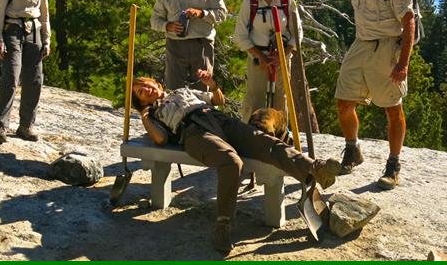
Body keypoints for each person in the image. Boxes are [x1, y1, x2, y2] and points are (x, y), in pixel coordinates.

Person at [131, 70, 340, 254]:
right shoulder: (153, 114)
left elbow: (218, 100)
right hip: (193, 133)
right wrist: (145, 116)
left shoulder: (182, 91)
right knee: (231, 162)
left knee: (265, 141)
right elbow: (160, 139)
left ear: (156, 83)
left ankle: (315, 168)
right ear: (142, 102)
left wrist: (212, 85)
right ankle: (223, 224)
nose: (146, 89)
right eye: (140, 92)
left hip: (220, 119)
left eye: (145, 84)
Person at [334, 0, 415, 190]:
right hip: (361, 45)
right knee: (344, 101)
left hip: (387, 47)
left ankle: (393, 165)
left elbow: (408, 20)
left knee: (392, 107)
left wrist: (403, 63)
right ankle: (352, 149)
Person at [0, 0, 51, 145]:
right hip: (13, 30)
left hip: (33, 31)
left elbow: (44, 13)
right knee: (11, 77)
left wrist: (46, 38)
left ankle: (26, 125)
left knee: (35, 80)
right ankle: (1, 126)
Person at [233, 0, 303, 123]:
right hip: (258, 59)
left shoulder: (287, 1)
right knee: (254, 99)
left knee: (280, 100)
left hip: (282, 60)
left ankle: (279, 137)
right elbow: (239, 36)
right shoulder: (250, 2)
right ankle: (251, 134)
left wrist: (283, 56)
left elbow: (297, 32)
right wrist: (260, 56)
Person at [151, 0, 228, 91]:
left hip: (202, 44)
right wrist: (168, 26)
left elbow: (222, 13)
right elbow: (155, 20)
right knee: (174, 91)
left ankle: (204, 114)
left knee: (203, 90)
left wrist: (202, 13)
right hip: (175, 46)